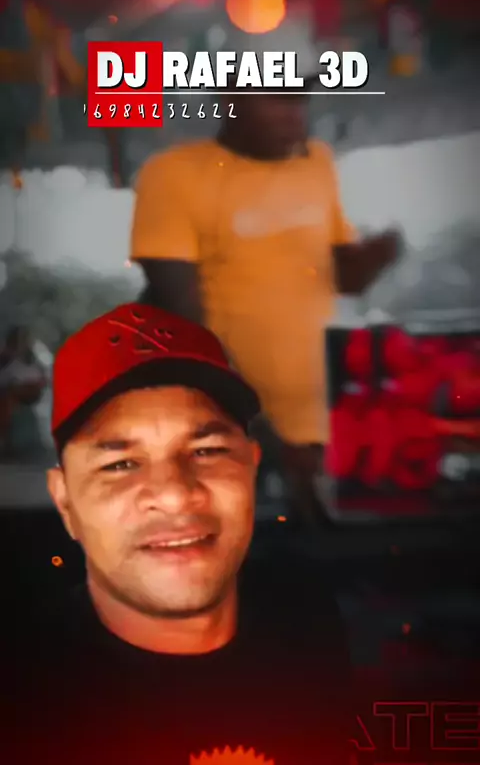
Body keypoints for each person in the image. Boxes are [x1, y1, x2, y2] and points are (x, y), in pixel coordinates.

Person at [2, 303, 353, 765]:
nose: (174, 495)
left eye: (207, 450)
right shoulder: (23, 701)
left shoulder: (308, 620)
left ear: (250, 468)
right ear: (65, 501)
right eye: (120, 464)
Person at [130, 28, 402, 527]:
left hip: (320, 434)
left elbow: (343, 280)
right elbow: (181, 323)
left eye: (300, 97)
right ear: (228, 98)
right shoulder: (173, 175)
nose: (293, 113)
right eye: (276, 97)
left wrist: (377, 257)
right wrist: (262, 436)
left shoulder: (316, 162)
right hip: (228, 433)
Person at [0, 326, 46, 456]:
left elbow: (40, 378)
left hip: (28, 393)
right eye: (18, 341)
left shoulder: (33, 359)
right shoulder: (5, 359)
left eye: (24, 340)